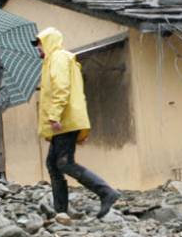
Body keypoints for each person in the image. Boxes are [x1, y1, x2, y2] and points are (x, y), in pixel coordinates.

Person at [35, 27, 119, 219]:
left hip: (64, 120)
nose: (38, 47)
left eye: (39, 43)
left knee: (64, 163)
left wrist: (54, 116)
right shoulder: (54, 60)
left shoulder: (58, 58)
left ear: (48, 42)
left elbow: (61, 88)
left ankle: (106, 192)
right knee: (53, 164)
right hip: (65, 120)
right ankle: (61, 211)